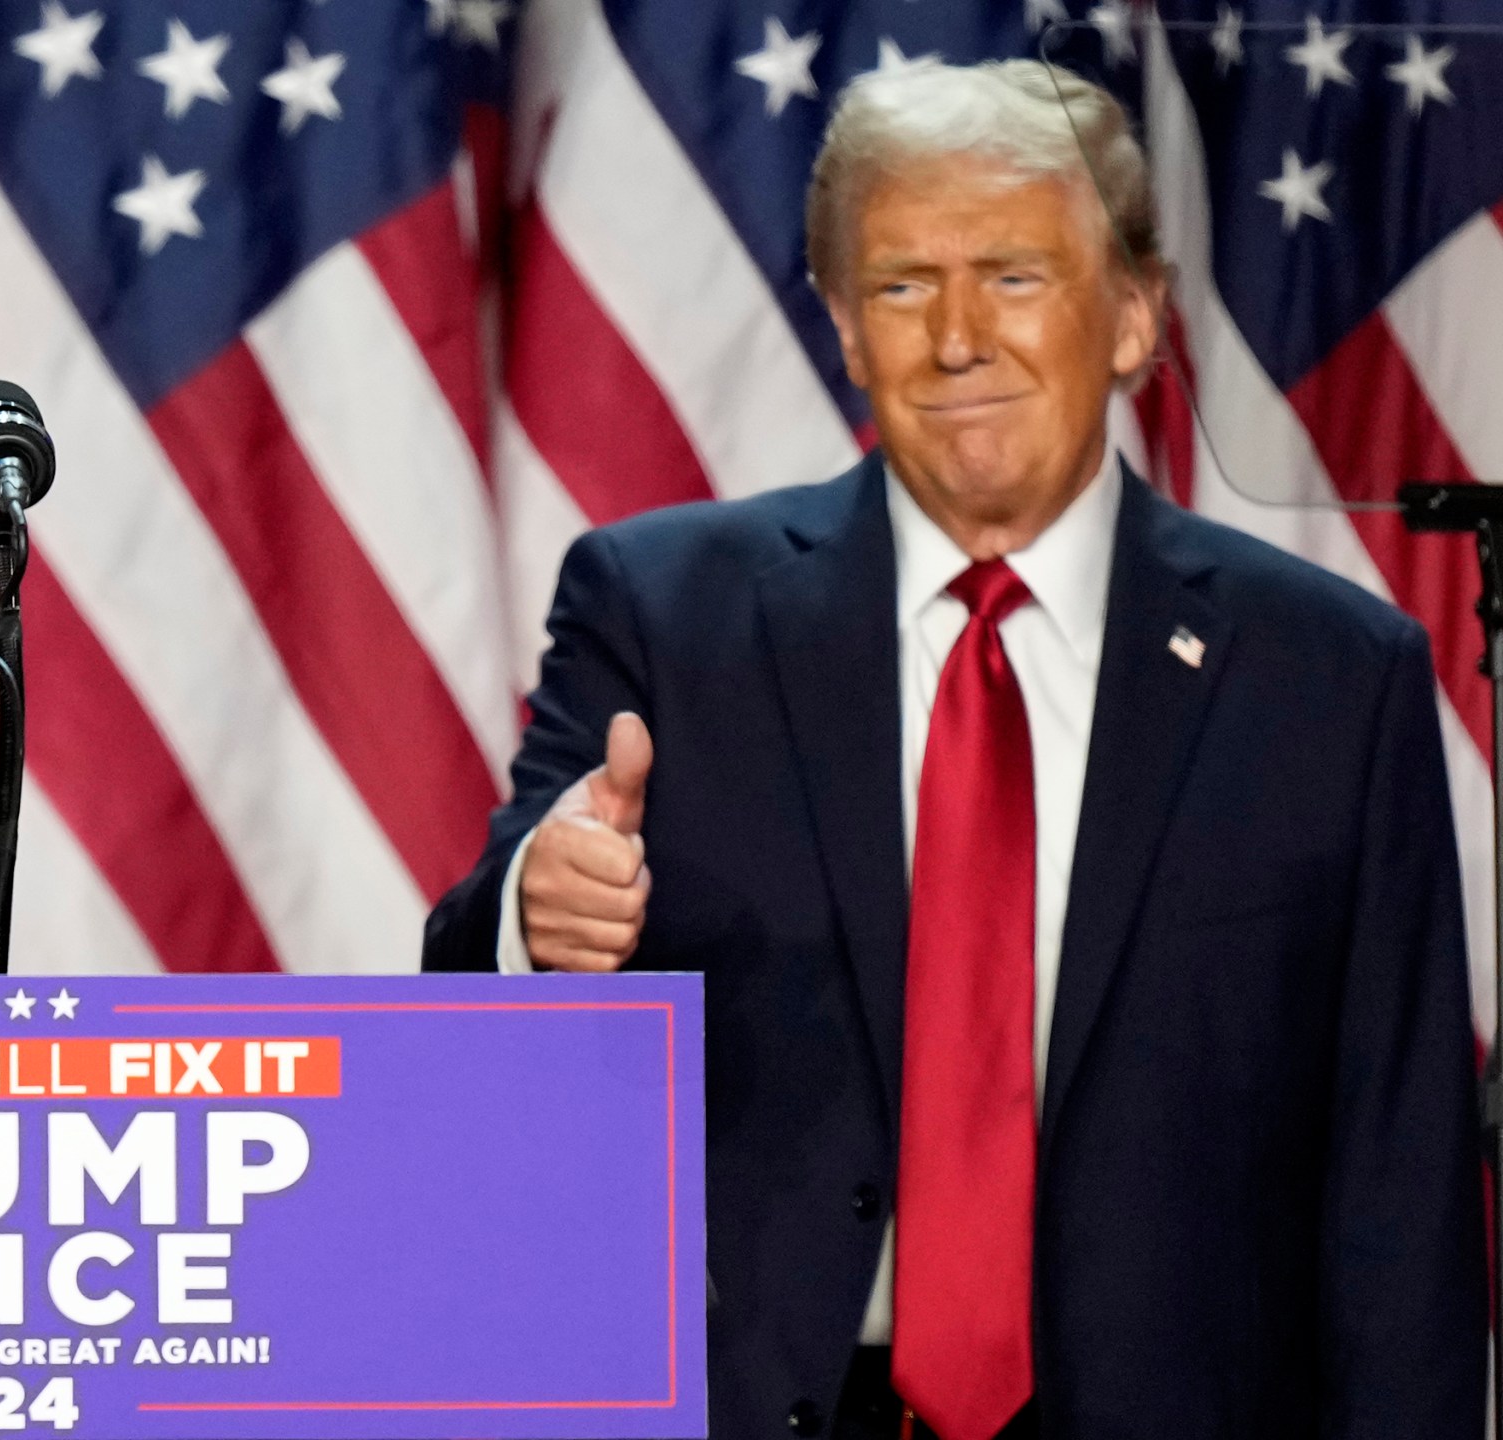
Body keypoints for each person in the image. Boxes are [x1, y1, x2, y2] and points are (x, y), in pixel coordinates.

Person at [424, 60, 1481, 1440]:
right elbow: (461, 991)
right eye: (903, 286)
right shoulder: (663, 611)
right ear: (850, 335)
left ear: (1135, 319)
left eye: (1016, 276)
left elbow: (1401, 1181)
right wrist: (532, 920)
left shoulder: (1331, 676)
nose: (958, 336)